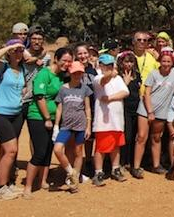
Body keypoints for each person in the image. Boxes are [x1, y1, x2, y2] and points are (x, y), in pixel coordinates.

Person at [22, 48, 72, 198]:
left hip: (54, 118)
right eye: (64, 60)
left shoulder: (61, 76)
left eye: (69, 61)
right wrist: (47, 118)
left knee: (49, 150)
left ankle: (42, 181)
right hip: (38, 117)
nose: (67, 64)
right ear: (56, 59)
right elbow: (39, 97)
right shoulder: (44, 73)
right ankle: (28, 187)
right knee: (39, 152)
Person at [0, 39, 29, 200]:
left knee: (5, 150)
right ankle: (1, 188)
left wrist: (21, 48)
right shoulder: (3, 67)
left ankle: (7, 182)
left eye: (20, 50)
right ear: (9, 52)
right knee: (11, 150)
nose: (19, 53)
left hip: (16, 114)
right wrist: (10, 47)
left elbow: (29, 57)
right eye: (15, 51)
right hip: (0, 113)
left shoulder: (22, 69)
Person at [132, 51, 174, 178]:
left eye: (168, 61)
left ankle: (156, 165)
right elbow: (146, 93)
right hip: (146, 109)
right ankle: (136, 167)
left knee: (156, 138)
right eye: (164, 61)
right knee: (141, 137)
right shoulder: (153, 73)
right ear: (160, 62)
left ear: (172, 63)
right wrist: (150, 111)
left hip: (162, 111)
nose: (166, 64)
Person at [52, 60, 93, 193]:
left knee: (78, 152)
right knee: (58, 149)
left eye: (80, 73)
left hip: (80, 124)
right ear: (70, 73)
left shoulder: (85, 89)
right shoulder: (63, 89)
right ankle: (71, 172)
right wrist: (56, 125)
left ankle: (75, 180)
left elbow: (87, 108)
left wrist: (88, 126)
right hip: (66, 125)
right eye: (75, 73)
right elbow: (59, 108)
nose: (77, 75)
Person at [91, 54, 130, 185]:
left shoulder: (117, 78)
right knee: (100, 148)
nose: (109, 68)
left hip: (117, 120)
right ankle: (98, 172)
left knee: (116, 146)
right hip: (103, 122)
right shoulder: (97, 78)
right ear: (100, 65)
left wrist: (110, 98)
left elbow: (125, 92)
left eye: (111, 65)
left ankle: (115, 169)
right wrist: (110, 74)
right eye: (106, 65)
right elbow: (104, 81)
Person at [116, 51, 141, 171]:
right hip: (124, 108)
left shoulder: (137, 75)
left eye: (131, 62)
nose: (129, 64)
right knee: (127, 136)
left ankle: (130, 161)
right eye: (126, 61)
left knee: (135, 136)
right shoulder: (118, 76)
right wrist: (125, 83)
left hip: (136, 108)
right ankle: (122, 161)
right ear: (121, 63)